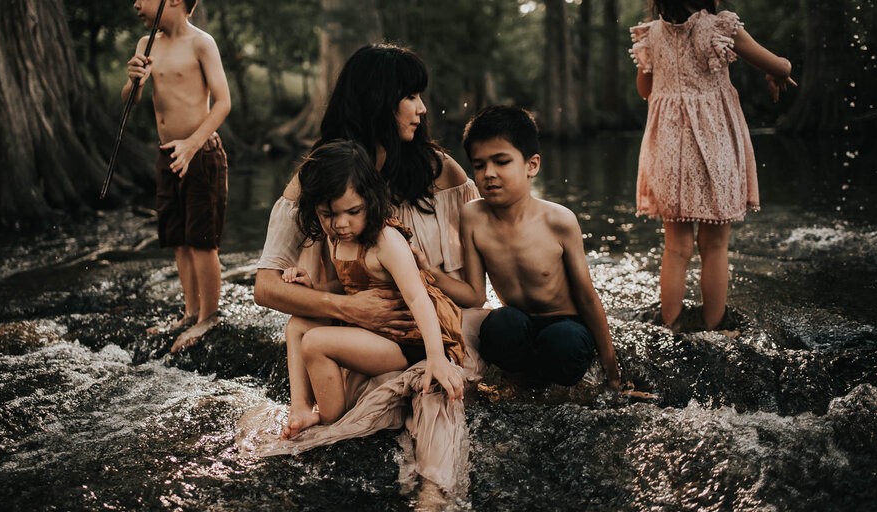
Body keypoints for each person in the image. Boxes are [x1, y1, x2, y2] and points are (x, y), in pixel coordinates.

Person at [253, 43, 477, 339]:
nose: (422, 108)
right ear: (379, 102)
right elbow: (266, 288)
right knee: (302, 325)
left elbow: (479, 276)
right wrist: (347, 307)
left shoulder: (441, 172)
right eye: (410, 96)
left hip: (437, 324)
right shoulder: (318, 175)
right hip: (359, 334)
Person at [629, 0, 796, 330]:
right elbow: (780, 66)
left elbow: (645, 91)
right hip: (713, 147)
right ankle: (713, 328)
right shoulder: (720, 28)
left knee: (676, 248)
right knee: (714, 245)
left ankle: (668, 325)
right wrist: (778, 69)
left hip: (667, 151)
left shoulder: (650, 35)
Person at [417, 105, 621, 389]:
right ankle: (521, 382)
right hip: (520, 324)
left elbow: (587, 298)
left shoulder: (558, 221)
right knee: (499, 325)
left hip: (566, 325)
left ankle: (565, 381)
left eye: (501, 162)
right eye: (479, 165)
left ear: (531, 165)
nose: (488, 173)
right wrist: (427, 272)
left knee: (561, 342)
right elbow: (475, 296)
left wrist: (613, 372)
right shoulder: (473, 216)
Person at [279, 140, 465, 438]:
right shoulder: (338, 237)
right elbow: (349, 284)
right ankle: (300, 406)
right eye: (328, 215)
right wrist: (313, 286)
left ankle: (330, 417)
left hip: (406, 340)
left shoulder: (385, 241)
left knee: (315, 342)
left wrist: (436, 357)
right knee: (298, 324)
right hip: (371, 330)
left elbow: (418, 296)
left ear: (370, 199)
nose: (340, 223)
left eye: (352, 211)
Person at [123, 0, 231, 352]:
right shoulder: (146, 43)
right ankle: (189, 311)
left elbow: (222, 102)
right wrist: (133, 80)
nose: (137, 3)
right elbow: (130, 100)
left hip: (200, 153)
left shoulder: (202, 44)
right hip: (167, 153)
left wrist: (192, 142)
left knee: (203, 239)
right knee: (178, 238)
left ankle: (208, 317)